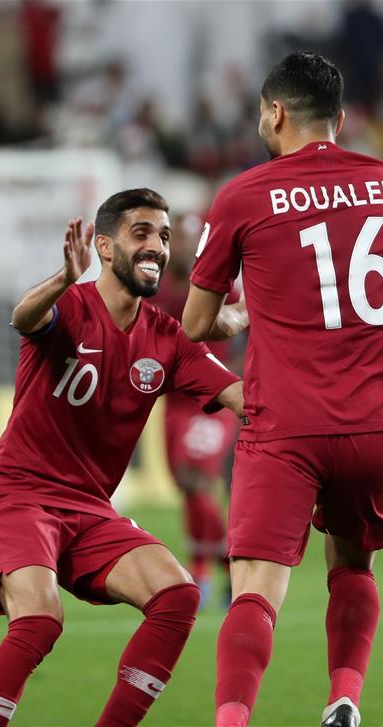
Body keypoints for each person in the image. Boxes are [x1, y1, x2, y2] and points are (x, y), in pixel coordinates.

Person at [182, 52, 383, 727]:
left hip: (286, 422)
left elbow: (196, 324)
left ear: (276, 112)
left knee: (255, 589)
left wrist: (241, 315)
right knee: (352, 566)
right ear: (340, 119)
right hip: (379, 421)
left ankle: (232, 721)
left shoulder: (243, 195)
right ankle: (344, 698)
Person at [0, 188, 243, 727]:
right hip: (19, 497)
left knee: (177, 596)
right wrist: (63, 279)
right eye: (142, 233)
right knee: (40, 620)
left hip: (90, 510)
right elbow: (25, 316)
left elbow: (242, 397)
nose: (157, 246)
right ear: (105, 247)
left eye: (164, 236)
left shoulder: (167, 339)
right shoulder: (69, 306)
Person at [152, 212, 243, 606]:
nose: (185, 248)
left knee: (198, 478)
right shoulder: (155, 290)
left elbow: (246, 326)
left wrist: (236, 377)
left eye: (191, 240)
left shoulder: (219, 287)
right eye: (177, 239)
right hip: (174, 401)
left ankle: (226, 566)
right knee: (187, 486)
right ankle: (204, 570)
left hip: (212, 397)